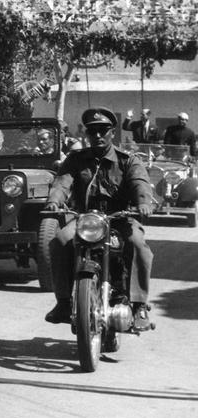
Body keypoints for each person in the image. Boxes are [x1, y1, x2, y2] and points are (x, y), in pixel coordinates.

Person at [43, 107, 154, 329]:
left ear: (113, 132)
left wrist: (143, 203)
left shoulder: (127, 161)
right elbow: (62, 182)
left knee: (139, 246)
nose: (98, 136)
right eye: (93, 132)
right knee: (59, 241)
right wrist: (54, 201)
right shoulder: (76, 159)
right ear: (87, 134)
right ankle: (64, 302)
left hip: (121, 218)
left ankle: (139, 305)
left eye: (103, 130)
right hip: (85, 219)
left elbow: (139, 182)